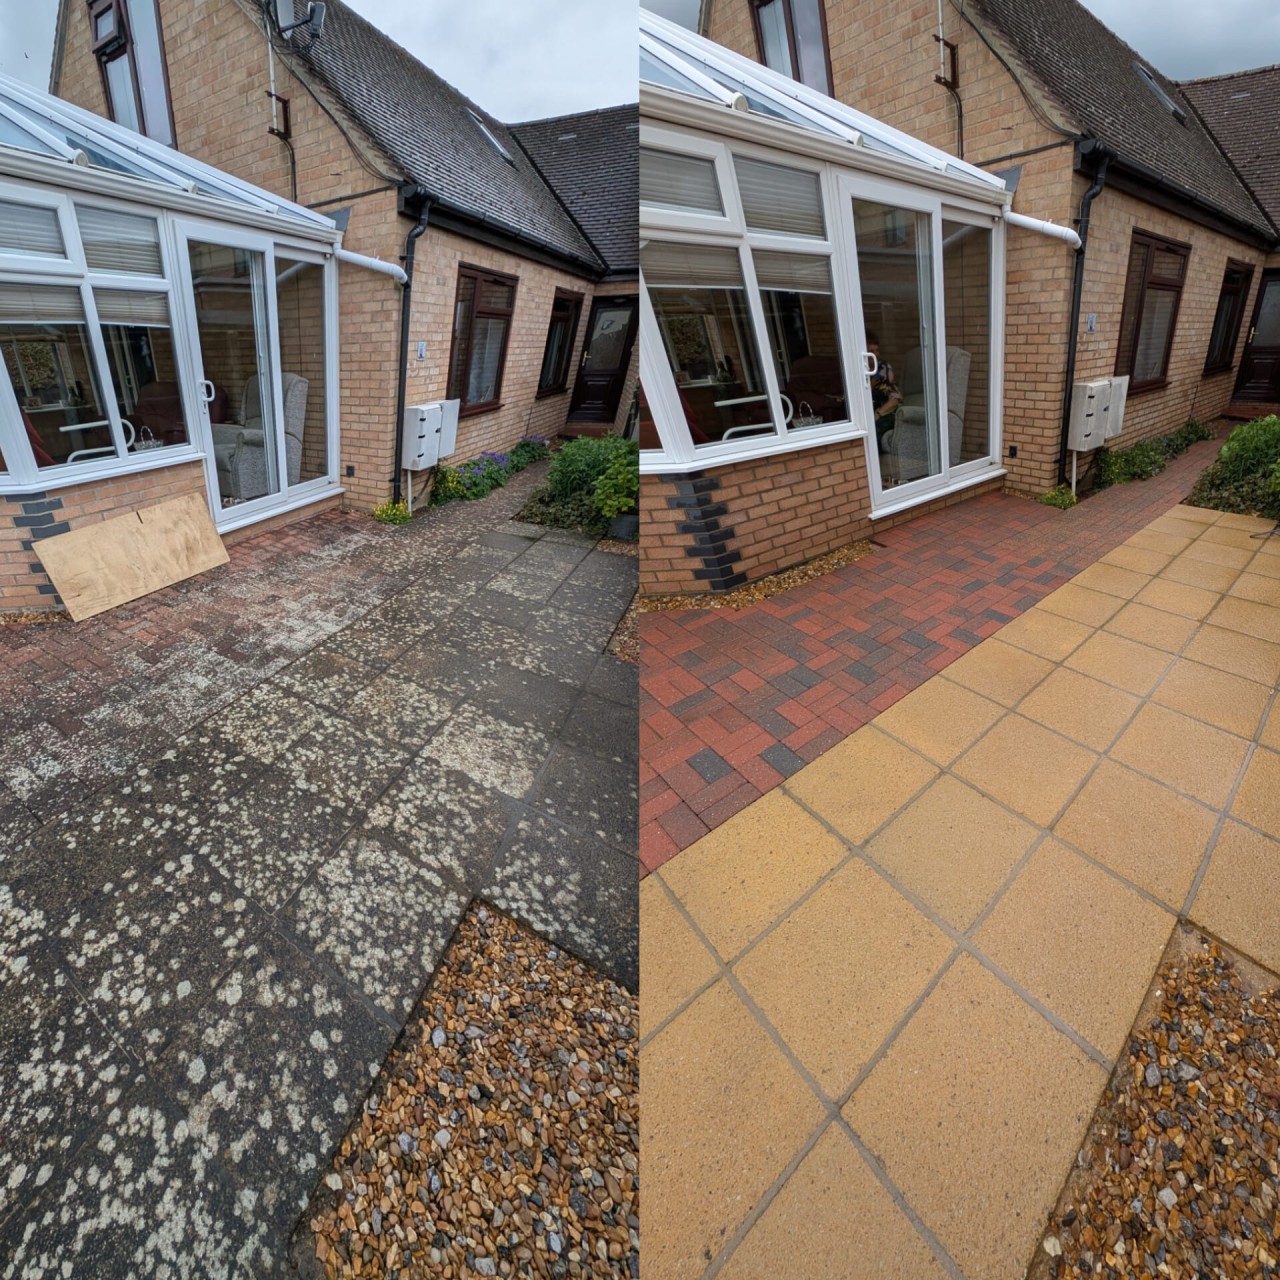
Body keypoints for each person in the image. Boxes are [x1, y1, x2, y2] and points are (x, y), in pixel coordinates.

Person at [866, 331, 901, 443]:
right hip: (867, 415)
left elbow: (896, 398)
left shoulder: (884, 368)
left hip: (886, 412)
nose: (875, 355)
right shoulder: (859, 371)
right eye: (871, 352)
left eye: (877, 351)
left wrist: (877, 414)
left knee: (874, 433)